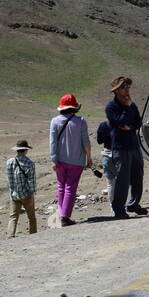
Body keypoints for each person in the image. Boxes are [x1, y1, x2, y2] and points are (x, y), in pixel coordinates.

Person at [105, 76, 148, 218]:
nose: (127, 89)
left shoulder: (132, 105)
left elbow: (138, 122)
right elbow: (118, 122)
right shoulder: (111, 107)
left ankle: (134, 203)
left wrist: (129, 127)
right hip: (121, 146)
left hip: (134, 144)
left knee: (138, 175)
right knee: (123, 178)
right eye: (124, 87)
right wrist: (127, 109)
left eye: (128, 87)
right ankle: (118, 208)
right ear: (116, 91)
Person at [49, 94, 94, 227]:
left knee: (61, 187)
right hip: (77, 161)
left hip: (60, 161)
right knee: (70, 188)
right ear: (74, 107)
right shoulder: (81, 121)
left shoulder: (54, 121)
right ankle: (65, 217)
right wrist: (89, 157)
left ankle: (62, 215)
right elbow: (86, 141)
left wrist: (54, 159)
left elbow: (52, 143)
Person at [6, 139, 38, 237]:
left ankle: (10, 236)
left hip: (14, 194)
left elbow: (10, 179)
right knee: (31, 217)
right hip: (26, 195)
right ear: (25, 150)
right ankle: (33, 236)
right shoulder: (29, 163)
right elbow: (31, 181)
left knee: (13, 217)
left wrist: (12, 193)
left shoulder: (9, 162)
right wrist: (32, 195)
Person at [96, 119, 117, 201]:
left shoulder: (103, 125)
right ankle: (122, 205)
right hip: (120, 154)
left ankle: (114, 208)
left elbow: (99, 141)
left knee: (110, 183)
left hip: (107, 155)